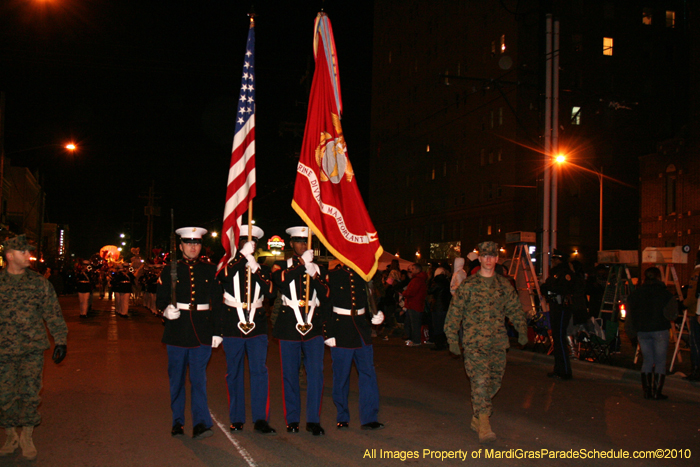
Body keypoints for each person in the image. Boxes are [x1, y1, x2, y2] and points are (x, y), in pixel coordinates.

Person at [444, 241, 527, 443]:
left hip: (498, 343)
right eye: (485, 256)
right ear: (479, 258)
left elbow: (515, 309)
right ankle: (484, 423)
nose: (489, 260)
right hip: (474, 344)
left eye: (492, 256)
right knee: (480, 381)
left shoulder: (503, 285)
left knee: (494, 382)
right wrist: (452, 338)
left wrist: (522, 330)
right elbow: (454, 314)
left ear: (497, 259)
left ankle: (477, 416)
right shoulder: (469, 286)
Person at [0, 235, 67, 460]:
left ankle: (27, 437)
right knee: (4, 395)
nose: (28, 255)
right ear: (10, 256)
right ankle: (11, 436)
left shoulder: (39, 283)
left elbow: (53, 314)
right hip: (2, 351)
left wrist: (61, 340)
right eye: (22, 252)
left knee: (29, 394)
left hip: (32, 350)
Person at [156, 227, 223, 439]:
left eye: (197, 243)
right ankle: (178, 422)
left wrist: (218, 331)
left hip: (202, 329)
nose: (193, 246)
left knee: (198, 379)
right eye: (189, 243)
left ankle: (201, 423)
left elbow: (218, 301)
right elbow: (160, 298)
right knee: (176, 379)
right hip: (176, 330)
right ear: (181, 246)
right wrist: (165, 310)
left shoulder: (210, 269)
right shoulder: (170, 269)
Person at [217, 225, 276, 435]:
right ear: (237, 244)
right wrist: (241, 257)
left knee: (259, 372)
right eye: (242, 241)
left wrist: (254, 266)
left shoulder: (263, 268)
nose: (246, 244)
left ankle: (261, 419)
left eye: (250, 242)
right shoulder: (227, 264)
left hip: (257, 324)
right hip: (232, 322)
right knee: (234, 372)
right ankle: (237, 418)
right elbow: (223, 278)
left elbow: (269, 293)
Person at [271, 226, 329, 436]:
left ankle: (313, 420)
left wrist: (315, 274)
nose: (303, 245)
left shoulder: (319, 268)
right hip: (289, 325)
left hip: (313, 325)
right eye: (298, 241)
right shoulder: (280, 264)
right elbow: (281, 281)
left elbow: (327, 295)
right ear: (291, 244)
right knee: (290, 375)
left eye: (306, 242)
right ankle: (293, 419)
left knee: (316, 375)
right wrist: (302, 263)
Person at [325, 263, 385, 431]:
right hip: (341, 329)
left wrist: (376, 314)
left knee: (368, 374)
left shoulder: (364, 275)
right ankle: (342, 416)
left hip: (361, 329)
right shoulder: (333, 275)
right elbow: (325, 304)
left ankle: (369, 417)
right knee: (341, 375)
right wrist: (327, 332)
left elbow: (371, 298)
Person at [625, 267, 677, 400]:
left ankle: (647, 391)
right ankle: (656, 392)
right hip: (659, 329)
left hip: (642, 331)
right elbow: (672, 314)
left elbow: (630, 315)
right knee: (660, 361)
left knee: (647, 360)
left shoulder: (636, 294)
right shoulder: (665, 294)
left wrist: (631, 332)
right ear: (659, 277)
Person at [540, 250, 578, 380]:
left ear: (560, 260)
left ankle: (566, 371)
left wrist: (550, 288)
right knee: (556, 337)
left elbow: (565, 288)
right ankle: (558, 369)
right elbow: (545, 286)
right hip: (555, 306)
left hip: (562, 307)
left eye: (555, 259)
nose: (553, 261)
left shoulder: (566, 273)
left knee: (560, 337)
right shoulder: (555, 273)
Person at [682, 248, 700, 381]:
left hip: (696, 313)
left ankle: (696, 370)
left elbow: (693, 295)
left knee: (695, 342)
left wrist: (682, 305)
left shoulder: (697, 273)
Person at [401, 263, 427, 346]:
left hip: (414, 304)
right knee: (414, 323)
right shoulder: (419, 279)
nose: (411, 270)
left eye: (413, 268)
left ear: (417, 270)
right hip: (416, 304)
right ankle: (415, 340)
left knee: (415, 324)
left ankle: (416, 341)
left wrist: (404, 292)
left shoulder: (417, 280)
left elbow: (411, 292)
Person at [427, 267, 451, 350]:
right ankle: (444, 342)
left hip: (437, 307)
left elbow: (429, 291)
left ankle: (439, 344)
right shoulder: (447, 282)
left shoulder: (436, 282)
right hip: (445, 306)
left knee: (437, 326)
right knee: (443, 325)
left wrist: (430, 280)